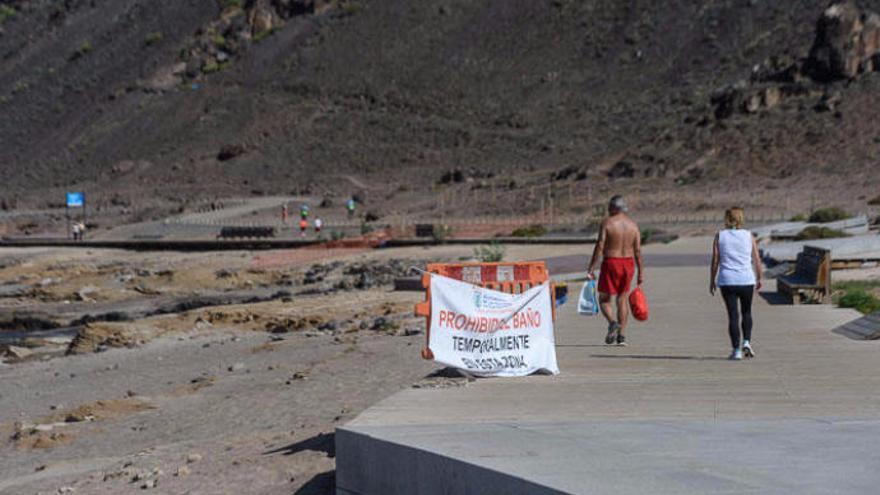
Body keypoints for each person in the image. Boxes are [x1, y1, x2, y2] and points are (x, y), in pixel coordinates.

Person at [587, 195, 644, 346]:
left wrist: (592, 266)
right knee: (622, 298)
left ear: (613, 208)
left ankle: (612, 322)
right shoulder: (633, 225)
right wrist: (641, 272)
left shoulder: (607, 223)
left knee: (604, 299)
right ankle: (622, 337)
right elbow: (637, 250)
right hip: (628, 264)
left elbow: (600, 245)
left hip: (611, 262)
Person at [710, 207, 763, 360]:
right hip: (746, 280)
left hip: (727, 281)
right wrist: (759, 277)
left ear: (727, 218)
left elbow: (715, 260)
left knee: (733, 315)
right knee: (747, 312)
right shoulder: (748, 235)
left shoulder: (720, 236)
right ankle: (746, 341)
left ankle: (736, 351)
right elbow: (757, 259)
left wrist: (712, 280)